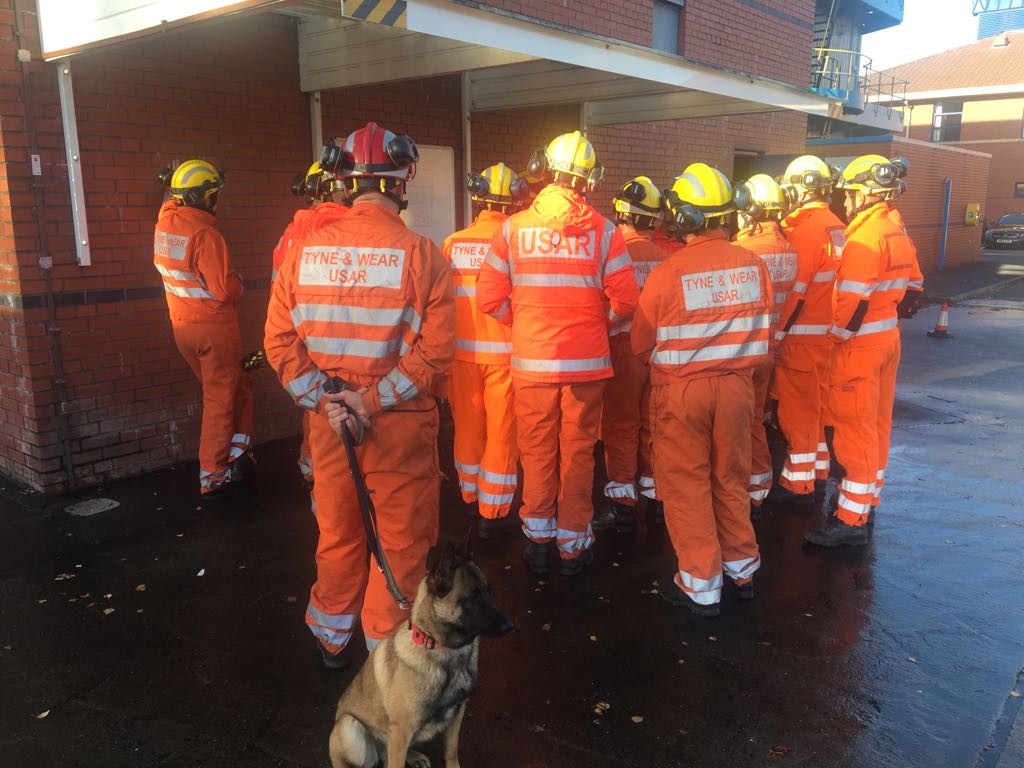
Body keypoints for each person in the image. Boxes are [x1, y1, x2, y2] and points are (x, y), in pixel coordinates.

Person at [264, 122, 454, 666]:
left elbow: (278, 342)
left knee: (338, 531)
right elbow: (434, 355)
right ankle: (385, 654)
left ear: (344, 183)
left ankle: (330, 636)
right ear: (402, 181)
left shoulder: (301, 253)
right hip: (398, 429)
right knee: (399, 543)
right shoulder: (423, 255)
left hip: (328, 428)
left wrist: (327, 399)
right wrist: (367, 402)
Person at [477, 131, 639, 578]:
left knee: (537, 452)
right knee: (578, 454)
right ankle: (573, 546)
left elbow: (489, 298)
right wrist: (597, 324)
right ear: (588, 179)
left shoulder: (512, 229)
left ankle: (538, 543)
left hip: (532, 365)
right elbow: (626, 302)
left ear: (544, 170)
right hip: (587, 367)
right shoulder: (606, 233)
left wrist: (524, 321)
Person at [633, 163, 773, 616]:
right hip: (737, 389)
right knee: (730, 479)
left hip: (683, 395)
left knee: (687, 486)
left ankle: (700, 585)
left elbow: (641, 343)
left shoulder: (669, 271)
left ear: (685, 217)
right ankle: (743, 569)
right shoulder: (754, 264)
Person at [805, 155, 921, 546]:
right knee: (876, 426)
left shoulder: (864, 238)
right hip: (888, 343)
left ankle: (850, 520)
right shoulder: (896, 231)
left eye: (851, 193)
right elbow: (914, 289)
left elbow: (851, 303)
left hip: (858, 349)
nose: (848, 200)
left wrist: (834, 339)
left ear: (866, 193)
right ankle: (866, 500)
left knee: (854, 432)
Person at [154, 159, 253, 498]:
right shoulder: (206, 235)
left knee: (233, 388)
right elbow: (225, 290)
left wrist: (172, 183)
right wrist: (241, 281)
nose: (216, 200)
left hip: (183, 329)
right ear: (201, 197)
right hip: (214, 331)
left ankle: (238, 452)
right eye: (213, 194)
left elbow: (171, 199)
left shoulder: (165, 220)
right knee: (220, 401)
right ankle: (213, 474)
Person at [442, 163, 526, 538]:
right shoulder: (516, 241)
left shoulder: (454, 243)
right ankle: (493, 510)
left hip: (460, 357)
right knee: (502, 433)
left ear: (478, 199)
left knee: (468, 429)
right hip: (506, 355)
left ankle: (469, 493)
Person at [594, 176, 670, 532]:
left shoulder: (608, 253)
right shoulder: (665, 260)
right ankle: (655, 492)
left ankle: (623, 503)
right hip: (657, 353)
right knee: (652, 423)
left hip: (620, 351)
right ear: (653, 219)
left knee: (620, 426)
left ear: (620, 213)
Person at [770, 155, 846, 505]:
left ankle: (797, 483)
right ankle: (817, 470)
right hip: (826, 335)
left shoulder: (807, 231)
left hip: (801, 337)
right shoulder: (837, 225)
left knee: (797, 410)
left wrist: (776, 336)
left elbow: (796, 293)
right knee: (815, 406)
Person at [272, 162, 349, 489]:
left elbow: (277, 290)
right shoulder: (350, 228)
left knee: (314, 406)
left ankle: (310, 465)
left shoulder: (290, 234)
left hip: (299, 333)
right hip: (346, 339)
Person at [733, 174, 798, 515]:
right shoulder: (789, 248)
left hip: (743, 353)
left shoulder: (745, 251)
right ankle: (758, 489)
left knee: (739, 425)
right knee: (756, 420)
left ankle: (744, 490)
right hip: (769, 349)